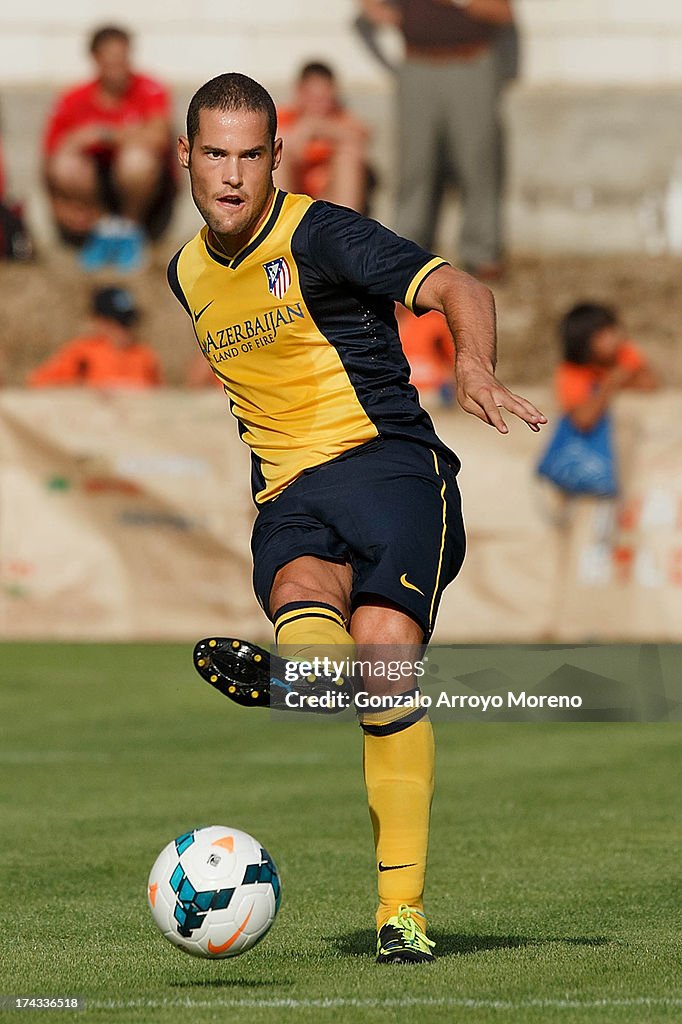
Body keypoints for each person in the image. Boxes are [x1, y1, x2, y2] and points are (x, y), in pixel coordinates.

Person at [167, 73, 545, 964]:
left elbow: (461, 286)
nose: (230, 175)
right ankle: (304, 680)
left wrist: (476, 368)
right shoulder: (185, 272)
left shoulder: (321, 233)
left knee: (383, 670)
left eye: (249, 156)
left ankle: (399, 910)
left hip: (389, 469)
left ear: (275, 158)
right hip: (287, 498)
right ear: (184, 156)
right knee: (301, 597)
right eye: (214, 154)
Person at [359, 0, 514, 280]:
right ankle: (406, 249)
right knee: (414, 164)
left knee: (478, 161)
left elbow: (502, 13)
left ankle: (482, 252)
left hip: (471, 64)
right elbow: (366, 12)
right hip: (417, 65)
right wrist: (393, 17)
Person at [43, 25, 176, 271]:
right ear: (95, 59)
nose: (118, 66)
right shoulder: (73, 98)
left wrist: (103, 133)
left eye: (123, 58)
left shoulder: (150, 89)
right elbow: (52, 155)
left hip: (142, 186)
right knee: (66, 163)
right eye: (111, 59)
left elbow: (159, 137)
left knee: (136, 160)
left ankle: (129, 230)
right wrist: (56, 204)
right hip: (94, 185)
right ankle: (104, 230)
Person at [276, 62, 373, 214]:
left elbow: (362, 137)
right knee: (277, 152)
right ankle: (280, 223)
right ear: (300, 93)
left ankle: (345, 228)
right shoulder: (285, 118)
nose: (319, 105)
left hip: (330, 201)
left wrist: (317, 127)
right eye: (313, 98)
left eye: (324, 98)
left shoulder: (342, 121)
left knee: (350, 153)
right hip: (294, 198)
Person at [28, 285, 162, 388]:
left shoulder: (145, 356)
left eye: (127, 322)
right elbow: (38, 382)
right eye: (114, 323)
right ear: (98, 321)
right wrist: (79, 388)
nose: (123, 330)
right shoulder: (82, 353)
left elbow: (158, 397)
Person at [556, 302, 658, 428]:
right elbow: (583, 420)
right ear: (583, 343)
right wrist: (609, 383)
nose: (613, 339)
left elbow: (651, 385)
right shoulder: (572, 371)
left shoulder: (624, 353)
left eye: (612, 330)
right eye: (602, 335)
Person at [396, 305, 455, 405]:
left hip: (434, 392)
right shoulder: (372, 325)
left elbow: (451, 360)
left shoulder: (432, 321)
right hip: (398, 392)